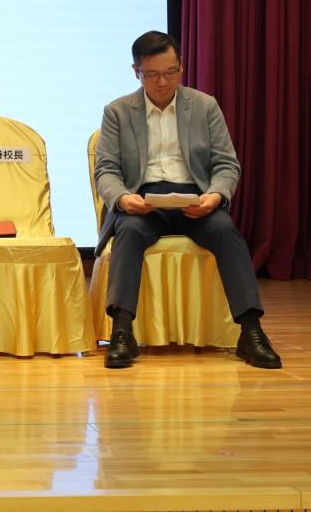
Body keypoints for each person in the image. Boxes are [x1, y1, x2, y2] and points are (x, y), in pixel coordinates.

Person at [94, 30, 280, 370]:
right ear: (136, 71)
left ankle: (251, 332)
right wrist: (122, 198)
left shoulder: (205, 106)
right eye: (152, 74)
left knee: (225, 230)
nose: (164, 82)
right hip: (143, 202)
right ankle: (122, 332)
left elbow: (226, 164)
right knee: (129, 232)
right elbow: (106, 169)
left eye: (171, 71)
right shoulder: (118, 112)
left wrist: (215, 196)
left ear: (181, 66)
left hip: (195, 200)